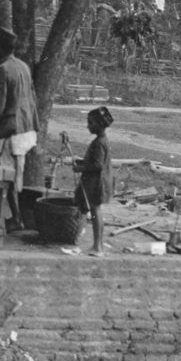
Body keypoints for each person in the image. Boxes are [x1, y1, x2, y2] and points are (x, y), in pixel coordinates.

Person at [0, 26, 39, 231]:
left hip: (13, 129)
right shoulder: (23, 66)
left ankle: (16, 219)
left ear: (0, 47)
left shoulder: (3, 69)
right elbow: (32, 96)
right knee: (17, 172)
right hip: (28, 127)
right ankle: (11, 214)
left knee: (9, 174)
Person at [74, 105, 113, 257]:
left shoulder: (99, 143)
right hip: (98, 181)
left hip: (97, 183)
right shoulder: (102, 140)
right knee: (96, 212)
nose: (88, 126)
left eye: (90, 123)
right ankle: (98, 246)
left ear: (99, 124)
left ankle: (98, 247)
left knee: (95, 212)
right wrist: (82, 162)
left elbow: (98, 165)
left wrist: (80, 168)